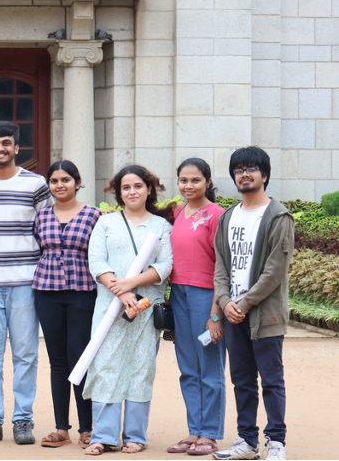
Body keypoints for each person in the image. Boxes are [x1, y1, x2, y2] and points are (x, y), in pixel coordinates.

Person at [0, 121, 52, 446]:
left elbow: (46, 229)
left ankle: (22, 420)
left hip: (26, 282)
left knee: (26, 354)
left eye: (6, 143)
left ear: (17, 148)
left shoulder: (36, 183)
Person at [82, 165, 173, 456]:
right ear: (118, 192)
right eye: (125, 187)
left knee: (141, 368)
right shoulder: (106, 223)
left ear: (149, 189)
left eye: (137, 186)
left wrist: (131, 284)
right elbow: (95, 261)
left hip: (145, 309)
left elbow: (165, 266)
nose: (132, 191)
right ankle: (103, 435)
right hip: (109, 308)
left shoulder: (161, 226)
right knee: (106, 366)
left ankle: (135, 435)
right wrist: (120, 292)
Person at [212, 147, 294, 461]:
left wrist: (243, 303)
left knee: (271, 380)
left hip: (265, 314)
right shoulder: (228, 216)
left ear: (265, 175)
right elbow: (220, 264)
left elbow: (275, 270)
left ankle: (276, 442)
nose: (245, 174)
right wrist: (224, 302)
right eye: (239, 169)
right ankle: (247, 441)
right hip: (233, 313)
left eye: (252, 169)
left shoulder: (277, 215)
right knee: (242, 380)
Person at [32, 161, 101, 449]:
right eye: (54, 181)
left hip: (82, 293)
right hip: (47, 292)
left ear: (77, 182)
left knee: (80, 358)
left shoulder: (94, 216)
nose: (60, 185)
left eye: (66, 180)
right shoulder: (41, 216)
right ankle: (62, 428)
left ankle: (88, 427)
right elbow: (38, 247)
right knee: (57, 361)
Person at [165, 158, 226, 457]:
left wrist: (216, 315)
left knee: (210, 367)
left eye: (195, 180)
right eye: (183, 180)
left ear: (208, 182)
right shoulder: (177, 212)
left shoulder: (217, 215)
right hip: (179, 294)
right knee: (188, 367)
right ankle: (193, 431)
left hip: (207, 295)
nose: (188, 186)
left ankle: (210, 434)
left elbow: (223, 268)